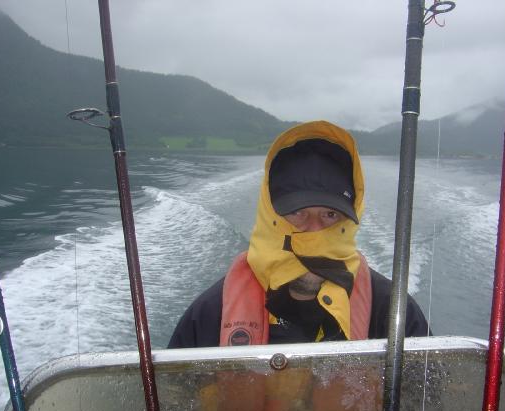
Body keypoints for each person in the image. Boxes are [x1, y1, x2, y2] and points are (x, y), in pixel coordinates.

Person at [168, 120, 428, 349]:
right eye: (297, 212)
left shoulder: (394, 315)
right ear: (270, 217)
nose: (315, 231)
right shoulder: (209, 317)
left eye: (330, 215)